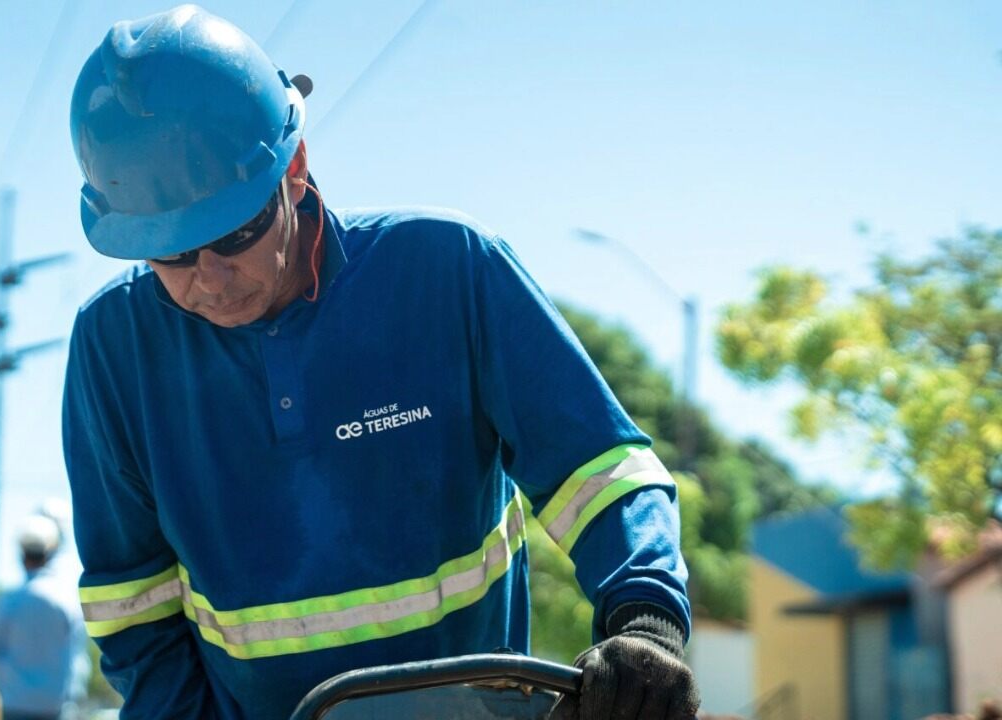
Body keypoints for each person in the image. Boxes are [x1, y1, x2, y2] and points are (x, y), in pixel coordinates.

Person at [62, 5, 701, 719]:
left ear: (294, 170)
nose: (208, 276)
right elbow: (131, 608)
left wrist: (645, 618)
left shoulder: (448, 270)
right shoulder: (112, 346)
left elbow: (600, 470)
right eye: (172, 252)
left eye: (235, 235)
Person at [0, 514, 90, 720]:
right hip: (57, 707)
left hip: (14, 704)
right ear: (52, 553)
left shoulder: (7, 601)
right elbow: (78, 656)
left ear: (21, 555)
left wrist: (5, 689)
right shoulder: (67, 601)